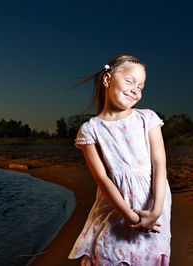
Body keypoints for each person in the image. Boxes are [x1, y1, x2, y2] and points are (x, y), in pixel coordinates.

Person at [68, 54, 171, 265]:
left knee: (146, 257)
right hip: (117, 207)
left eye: (141, 86)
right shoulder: (90, 130)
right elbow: (103, 179)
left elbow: (159, 165)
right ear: (107, 80)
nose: (135, 89)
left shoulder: (147, 119)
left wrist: (156, 211)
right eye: (129, 81)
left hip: (153, 203)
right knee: (109, 254)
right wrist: (130, 217)